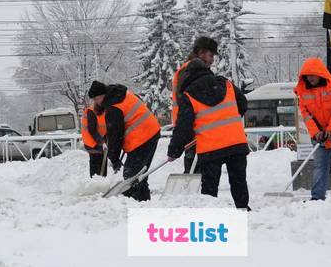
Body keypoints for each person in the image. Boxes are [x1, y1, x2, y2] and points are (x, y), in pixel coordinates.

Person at [167, 37, 250, 210]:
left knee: (209, 188)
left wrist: (174, 150)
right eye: (211, 56)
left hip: (211, 147)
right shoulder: (225, 83)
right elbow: (243, 105)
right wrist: (228, 122)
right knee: (238, 181)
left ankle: (209, 216)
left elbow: (184, 124)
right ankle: (243, 212)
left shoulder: (188, 94)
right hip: (236, 143)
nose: (212, 60)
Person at [89, 81, 161, 201]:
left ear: (102, 95)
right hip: (150, 132)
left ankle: (134, 203)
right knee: (138, 176)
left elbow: (115, 136)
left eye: (96, 98)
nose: (96, 102)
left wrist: (114, 158)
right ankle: (143, 203)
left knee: (131, 177)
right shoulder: (121, 94)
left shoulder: (113, 108)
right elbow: (118, 129)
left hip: (143, 137)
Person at [294, 57, 331, 200]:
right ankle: (316, 198)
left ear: (320, 73)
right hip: (321, 137)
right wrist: (316, 133)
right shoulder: (302, 91)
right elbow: (306, 115)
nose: (310, 78)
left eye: (312, 74)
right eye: (307, 75)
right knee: (319, 167)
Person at [171, 37, 219, 174]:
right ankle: (194, 192)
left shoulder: (190, 70)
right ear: (201, 53)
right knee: (195, 167)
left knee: (194, 164)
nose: (213, 60)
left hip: (190, 124)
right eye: (211, 55)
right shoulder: (191, 71)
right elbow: (188, 101)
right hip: (191, 125)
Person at [82, 86, 107, 177]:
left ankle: (102, 184)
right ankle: (96, 186)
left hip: (99, 141)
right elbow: (92, 130)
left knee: (102, 165)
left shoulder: (103, 109)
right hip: (91, 142)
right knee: (96, 167)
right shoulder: (91, 111)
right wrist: (102, 142)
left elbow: (105, 127)